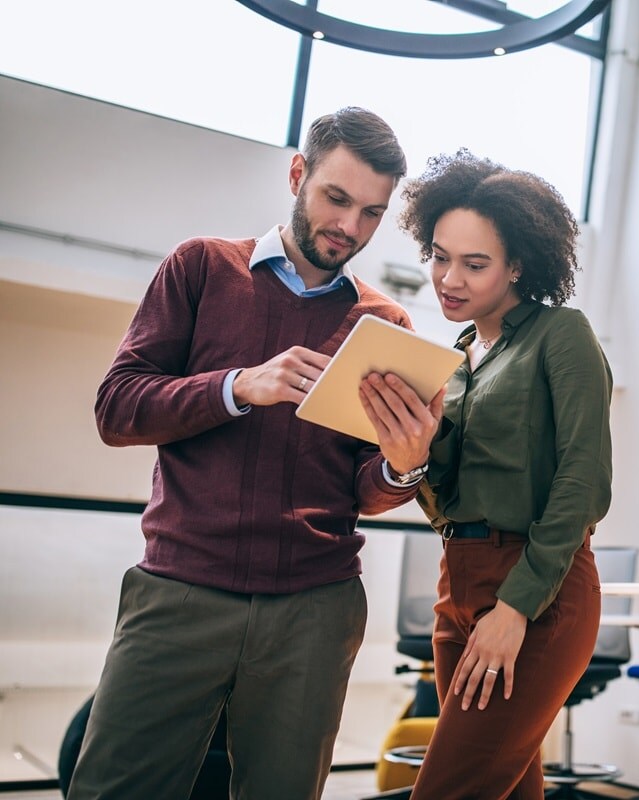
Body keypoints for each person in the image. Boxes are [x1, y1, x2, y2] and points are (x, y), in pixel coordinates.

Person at [73, 107, 442, 800]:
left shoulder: (384, 324)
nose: (350, 228)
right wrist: (239, 387)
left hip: (315, 609)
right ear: (298, 175)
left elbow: (364, 488)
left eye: (371, 213)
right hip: (180, 592)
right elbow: (117, 408)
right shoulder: (202, 269)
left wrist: (404, 463)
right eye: (337, 199)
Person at [396, 148, 613, 799]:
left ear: (519, 264)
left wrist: (516, 607)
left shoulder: (561, 336)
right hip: (455, 589)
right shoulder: (459, 361)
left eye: (474, 263)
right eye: (439, 256)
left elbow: (583, 482)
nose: (448, 278)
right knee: (510, 791)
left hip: (536, 592)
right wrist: (409, 459)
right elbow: (446, 505)